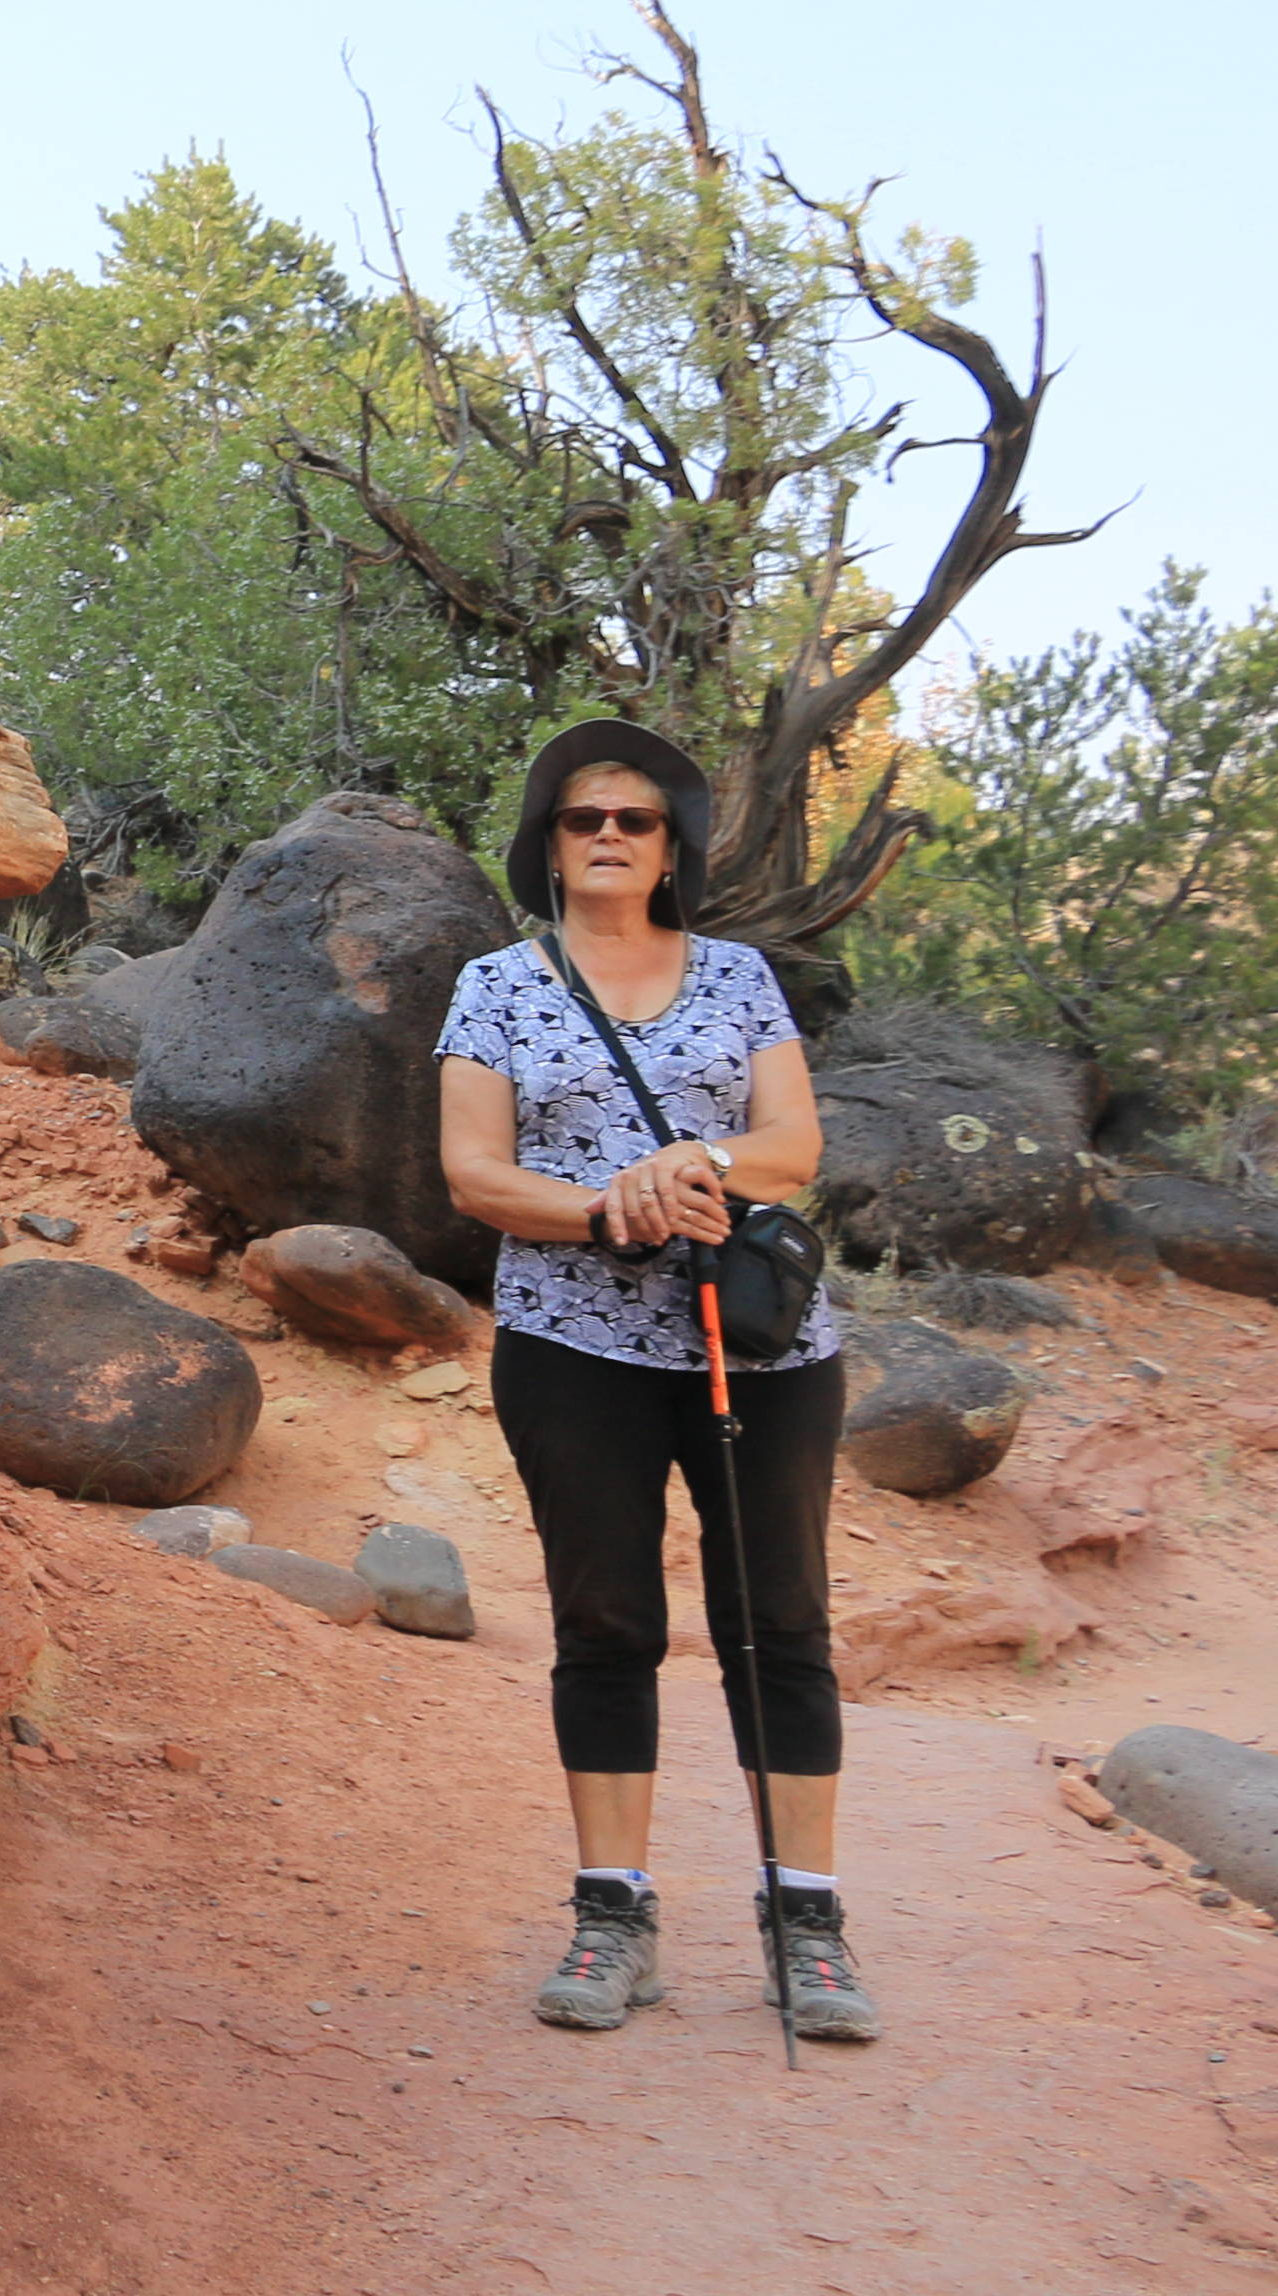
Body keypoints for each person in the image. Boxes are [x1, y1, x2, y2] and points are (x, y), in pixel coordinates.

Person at [430, 718, 877, 2044]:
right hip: (572, 1347)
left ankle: (809, 1924)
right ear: (550, 847)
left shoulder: (739, 978)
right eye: (584, 820)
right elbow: (474, 1175)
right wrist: (610, 1204)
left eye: (636, 820)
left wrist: (698, 1171)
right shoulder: (496, 986)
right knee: (606, 1622)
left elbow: (793, 1143)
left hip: (761, 1349)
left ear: (671, 845)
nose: (611, 836)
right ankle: (612, 1912)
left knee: (778, 1622)